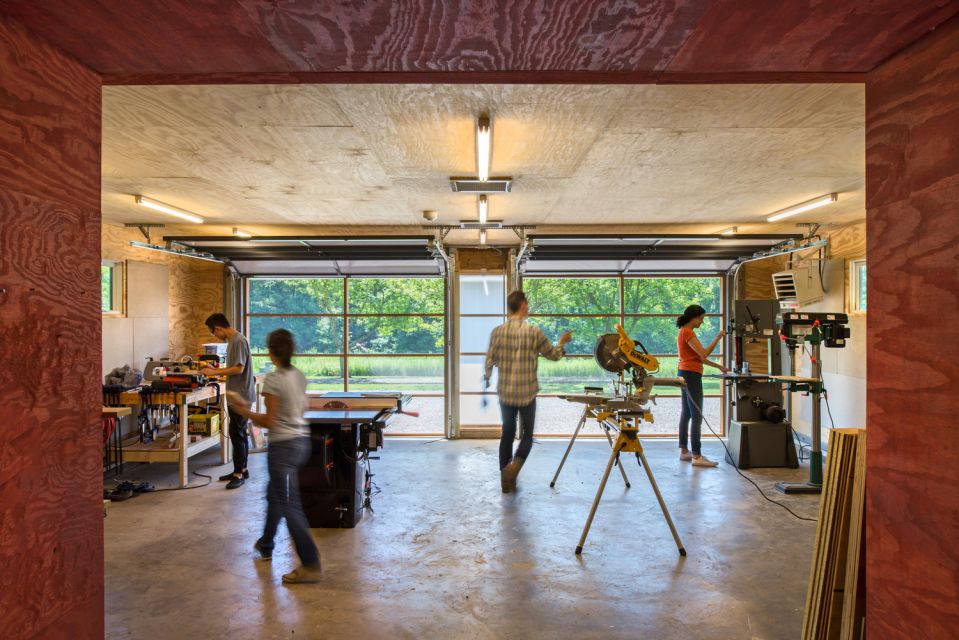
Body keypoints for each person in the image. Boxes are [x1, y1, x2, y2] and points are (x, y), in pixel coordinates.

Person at [228, 329, 321, 584]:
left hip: (283, 448)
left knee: (289, 505)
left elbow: (270, 421)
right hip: (302, 443)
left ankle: (310, 563)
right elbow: (303, 408)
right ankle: (267, 544)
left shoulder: (273, 379)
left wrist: (242, 410)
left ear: (270, 351)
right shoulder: (298, 375)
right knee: (275, 495)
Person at [485, 291, 572, 493]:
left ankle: (505, 480)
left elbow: (490, 359)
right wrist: (562, 342)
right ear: (523, 305)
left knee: (507, 434)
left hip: (506, 392)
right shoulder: (534, 332)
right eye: (527, 304)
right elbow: (553, 355)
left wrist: (488, 376)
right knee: (527, 436)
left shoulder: (497, 332)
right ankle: (514, 467)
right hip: (527, 392)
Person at [201, 313, 256, 490]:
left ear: (218, 328)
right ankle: (242, 469)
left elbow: (238, 369)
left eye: (213, 333)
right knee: (238, 433)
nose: (215, 336)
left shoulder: (238, 341)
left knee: (237, 434)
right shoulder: (233, 341)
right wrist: (215, 370)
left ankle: (238, 473)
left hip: (241, 395)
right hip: (238, 394)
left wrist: (214, 373)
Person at [676, 304, 726, 467]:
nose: (702, 322)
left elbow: (700, 358)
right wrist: (718, 338)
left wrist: (719, 367)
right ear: (694, 318)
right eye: (701, 318)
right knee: (697, 414)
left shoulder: (684, 331)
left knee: (687, 413)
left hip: (684, 373)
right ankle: (697, 455)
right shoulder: (688, 332)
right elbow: (704, 353)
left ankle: (684, 451)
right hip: (691, 375)